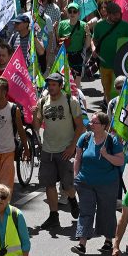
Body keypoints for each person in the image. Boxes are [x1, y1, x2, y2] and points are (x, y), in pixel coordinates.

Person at [32, 72, 84, 228]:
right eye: (49, 84)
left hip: (65, 149)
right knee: (49, 184)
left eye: (54, 85)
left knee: (68, 185)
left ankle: (73, 201)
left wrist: (72, 147)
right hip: (48, 149)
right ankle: (54, 216)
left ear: (61, 86)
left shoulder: (71, 101)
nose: (51, 87)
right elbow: (36, 126)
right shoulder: (42, 102)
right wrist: (35, 116)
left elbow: (80, 127)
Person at [72, 112, 125, 256]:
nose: (91, 125)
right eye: (91, 122)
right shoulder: (85, 137)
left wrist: (107, 155)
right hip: (85, 182)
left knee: (106, 211)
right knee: (86, 211)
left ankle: (108, 241)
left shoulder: (112, 141)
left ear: (103, 125)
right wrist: (76, 177)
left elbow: (120, 160)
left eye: (95, 122)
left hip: (107, 183)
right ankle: (82, 244)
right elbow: (77, 158)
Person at [0, 77, 30, 193]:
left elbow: (21, 130)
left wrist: (26, 149)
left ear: (4, 93)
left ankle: (4, 210)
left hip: (8, 152)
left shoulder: (13, 109)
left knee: (4, 190)